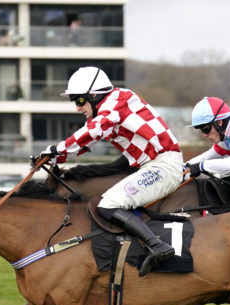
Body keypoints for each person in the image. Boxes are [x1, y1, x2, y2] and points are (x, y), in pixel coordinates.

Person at [37, 66, 183, 276]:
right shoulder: (110, 109)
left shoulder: (116, 102)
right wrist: (54, 158)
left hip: (163, 166)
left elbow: (92, 131)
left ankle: (158, 247)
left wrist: (54, 150)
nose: (77, 108)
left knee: (108, 205)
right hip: (154, 165)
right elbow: (89, 141)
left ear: (94, 95)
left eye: (79, 100)